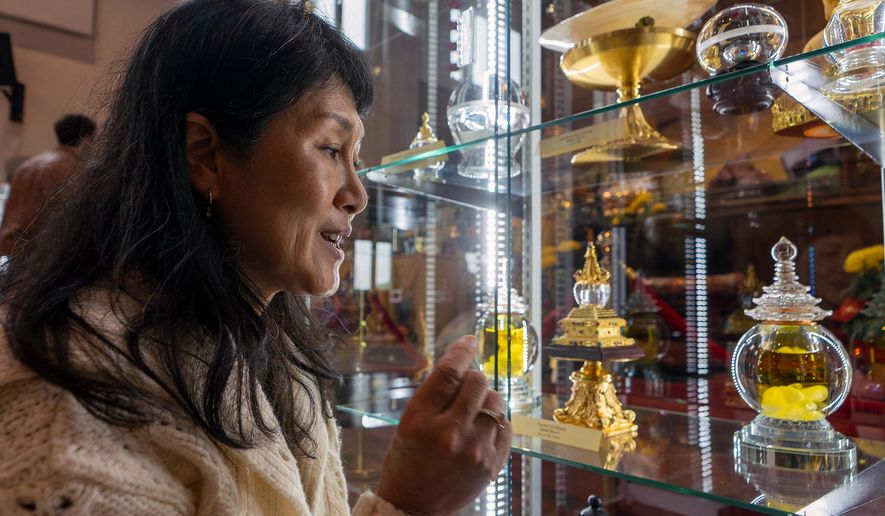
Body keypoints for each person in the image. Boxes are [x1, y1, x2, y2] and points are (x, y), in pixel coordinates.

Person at [0, 1, 511, 515]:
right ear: (206, 154)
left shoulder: (278, 360)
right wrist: (408, 502)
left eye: (356, 160)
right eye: (330, 149)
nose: (357, 195)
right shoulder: (71, 405)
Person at [0, 114, 96, 256]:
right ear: (85, 139)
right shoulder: (73, 168)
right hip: (40, 254)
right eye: (93, 139)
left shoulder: (27, 165)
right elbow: (69, 222)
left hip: (9, 250)